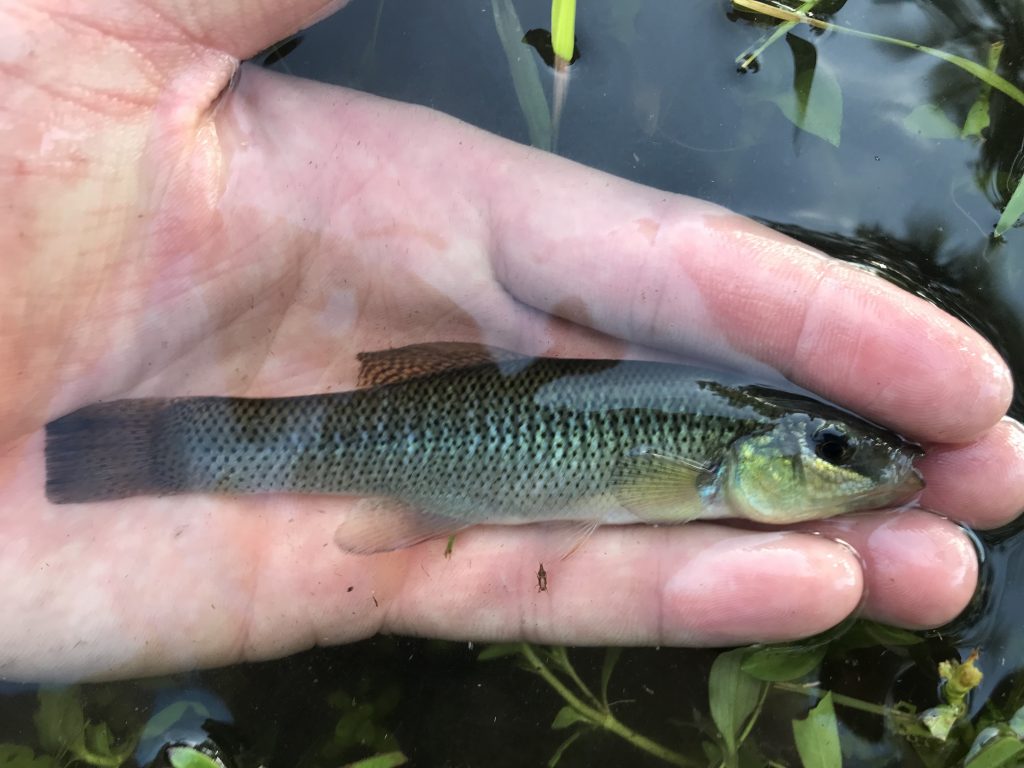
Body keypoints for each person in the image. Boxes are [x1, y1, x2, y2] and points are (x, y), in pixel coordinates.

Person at [0, 0, 1021, 684]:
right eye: (835, 455)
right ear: (754, 457)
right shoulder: (712, 445)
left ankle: (138, 450)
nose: (848, 465)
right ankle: (150, 448)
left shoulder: (726, 435)